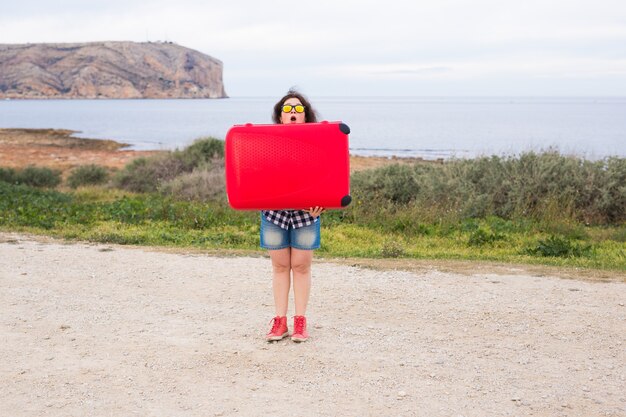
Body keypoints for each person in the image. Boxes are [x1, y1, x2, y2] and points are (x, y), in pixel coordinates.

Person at [263, 89, 324, 343]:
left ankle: (300, 322)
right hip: (274, 214)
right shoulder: (266, 143)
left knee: (301, 266)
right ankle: (280, 322)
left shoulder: (317, 144)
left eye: (298, 109)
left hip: (306, 216)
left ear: (306, 116)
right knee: (279, 267)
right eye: (287, 109)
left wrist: (322, 203)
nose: (293, 113)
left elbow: (326, 177)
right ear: (279, 116)